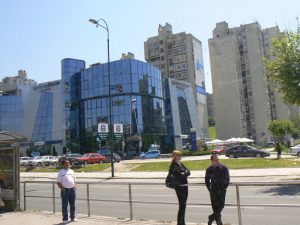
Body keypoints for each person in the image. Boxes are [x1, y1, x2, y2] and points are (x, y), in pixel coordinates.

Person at [205, 154, 230, 225]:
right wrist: (210, 190)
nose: (218, 161)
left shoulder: (223, 168)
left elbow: (227, 178)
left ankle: (211, 217)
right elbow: (207, 181)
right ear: (212, 161)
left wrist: (224, 187)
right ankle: (219, 223)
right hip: (213, 191)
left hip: (222, 190)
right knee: (215, 208)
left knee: (221, 206)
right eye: (216, 160)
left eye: (218, 159)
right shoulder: (209, 169)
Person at [168, 150, 190, 225]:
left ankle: (181, 222)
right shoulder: (173, 165)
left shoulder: (181, 164)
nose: (180, 156)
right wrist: (184, 173)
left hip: (185, 186)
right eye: (179, 155)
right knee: (182, 205)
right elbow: (179, 176)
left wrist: (184, 173)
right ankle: (180, 223)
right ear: (175, 156)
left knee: (183, 206)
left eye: (180, 155)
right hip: (179, 187)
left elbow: (189, 172)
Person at [57, 160, 78, 224]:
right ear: (63, 164)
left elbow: (75, 180)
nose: (67, 164)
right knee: (64, 206)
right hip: (65, 191)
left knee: (73, 205)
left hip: (72, 190)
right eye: (66, 163)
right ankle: (65, 219)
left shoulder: (72, 171)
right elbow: (58, 182)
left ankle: (73, 217)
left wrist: (75, 187)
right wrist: (62, 189)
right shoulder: (61, 172)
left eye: (68, 163)